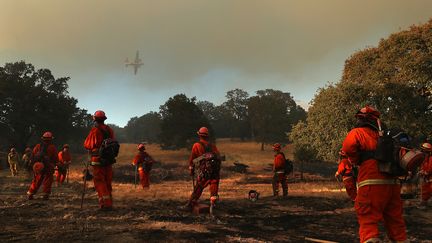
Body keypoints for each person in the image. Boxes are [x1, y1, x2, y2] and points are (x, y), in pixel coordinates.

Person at [342, 105, 406, 243]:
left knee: (368, 217)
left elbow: (348, 148)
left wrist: (356, 160)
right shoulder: (387, 137)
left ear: (361, 119)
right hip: (393, 185)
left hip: (371, 183)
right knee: (395, 221)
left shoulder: (357, 132)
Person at [84, 110, 115, 210]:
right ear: (104, 119)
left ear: (95, 119)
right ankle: (106, 203)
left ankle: (106, 204)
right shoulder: (109, 129)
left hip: (97, 159)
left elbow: (88, 145)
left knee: (99, 181)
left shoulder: (95, 130)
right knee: (107, 181)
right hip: (109, 159)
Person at [185, 127, 221, 210]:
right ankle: (213, 204)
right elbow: (218, 157)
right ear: (207, 136)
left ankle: (191, 204)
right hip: (215, 170)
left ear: (199, 136)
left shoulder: (196, 145)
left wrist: (191, 168)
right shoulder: (212, 146)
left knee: (199, 186)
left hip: (205, 170)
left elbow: (192, 159)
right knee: (214, 185)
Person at [27, 132, 58, 200]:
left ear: (43, 139)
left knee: (37, 180)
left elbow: (32, 156)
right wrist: (54, 164)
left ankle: (31, 193)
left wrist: (33, 164)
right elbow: (55, 158)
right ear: (50, 139)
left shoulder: (38, 146)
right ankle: (45, 194)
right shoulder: (52, 147)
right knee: (48, 179)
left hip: (39, 166)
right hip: (48, 166)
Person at [419, 142, 432, 209]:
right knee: (425, 191)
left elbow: (429, 169)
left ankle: (424, 205)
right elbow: (423, 167)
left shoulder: (430, 159)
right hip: (426, 178)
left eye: (424, 151)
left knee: (427, 191)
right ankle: (424, 204)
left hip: (429, 178)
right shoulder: (425, 159)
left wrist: (425, 172)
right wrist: (422, 171)